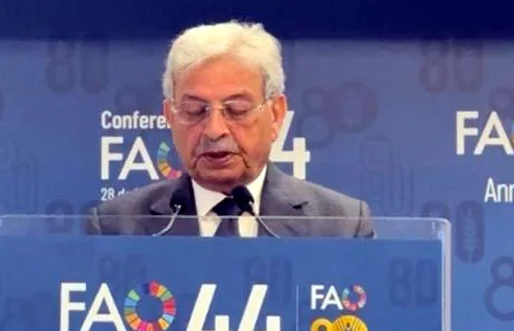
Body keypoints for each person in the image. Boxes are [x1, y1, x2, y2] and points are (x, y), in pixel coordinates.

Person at [87, 20, 375, 238]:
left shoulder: (340, 226)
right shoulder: (116, 226)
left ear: (275, 114)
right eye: (195, 110)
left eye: (236, 110)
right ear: (170, 117)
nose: (214, 130)